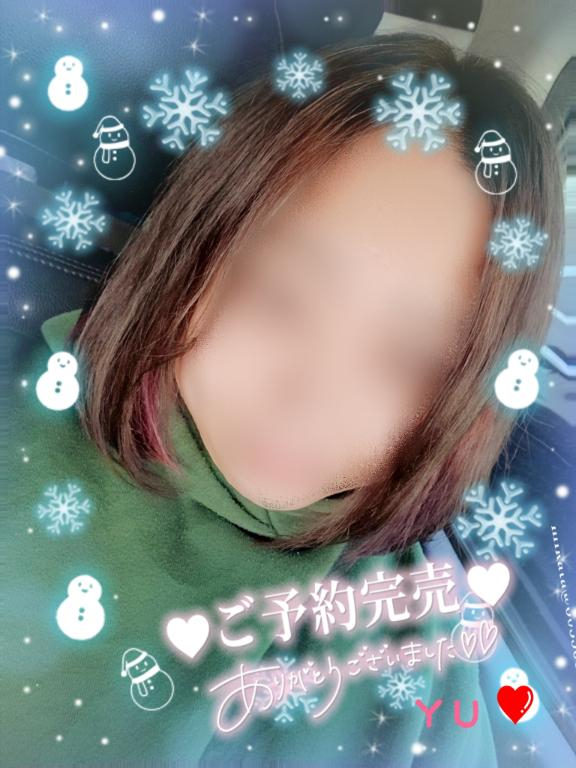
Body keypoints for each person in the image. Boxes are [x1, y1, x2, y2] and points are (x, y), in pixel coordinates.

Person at [4, 32, 564, 767]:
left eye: (409, 360)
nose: (313, 398)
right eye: (281, 296)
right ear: (191, 255)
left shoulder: (410, 648)